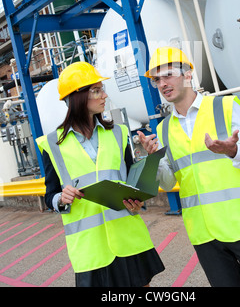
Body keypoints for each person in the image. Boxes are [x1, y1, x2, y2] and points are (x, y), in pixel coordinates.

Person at [137, 46, 240, 287]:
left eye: (168, 74)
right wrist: (153, 159)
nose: (162, 83)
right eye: (157, 79)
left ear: (187, 75)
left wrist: (234, 151)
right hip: (204, 234)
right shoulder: (164, 128)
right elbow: (168, 182)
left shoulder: (224, 107)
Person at [36, 61, 164, 288]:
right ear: (77, 98)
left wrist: (148, 163)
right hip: (90, 250)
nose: (104, 95)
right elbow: (50, 195)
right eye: (96, 90)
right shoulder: (51, 144)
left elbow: (131, 180)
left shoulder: (118, 133)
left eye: (101, 89)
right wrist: (61, 199)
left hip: (128, 238)